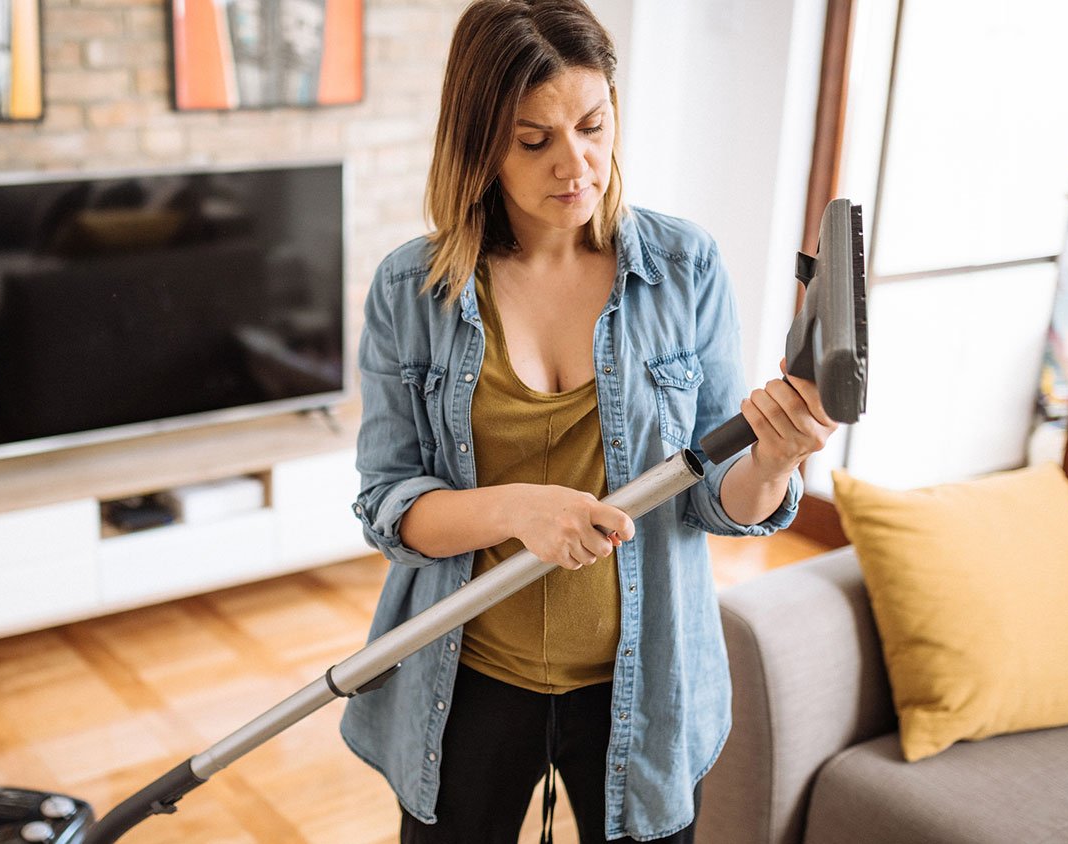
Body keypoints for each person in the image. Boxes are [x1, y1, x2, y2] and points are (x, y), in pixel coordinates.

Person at [339, 1, 839, 842]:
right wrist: (514, 509)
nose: (577, 164)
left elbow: (719, 502)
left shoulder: (685, 269)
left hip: (643, 686)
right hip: (465, 679)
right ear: (479, 145)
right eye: (534, 140)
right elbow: (390, 506)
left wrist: (777, 461)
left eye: (593, 126)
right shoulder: (411, 290)